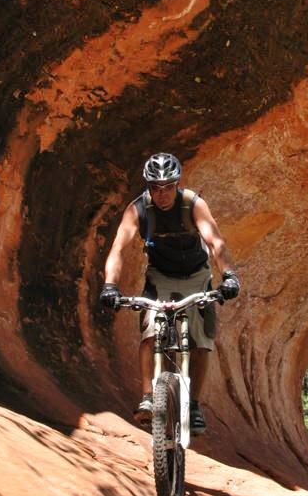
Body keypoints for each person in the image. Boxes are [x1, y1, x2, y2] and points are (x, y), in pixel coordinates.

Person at [99, 152, 240, 434]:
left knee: (202, 341)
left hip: (197, 276)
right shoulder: (138, 209)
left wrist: (229, 275)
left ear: (177, 183)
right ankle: (149, 397)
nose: (162, 193)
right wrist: (110, 286)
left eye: (168, 186)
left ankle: (195, 405)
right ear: (148, 187)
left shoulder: (192, 204)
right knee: (151, 332)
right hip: (160, 277)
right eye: (155, 187)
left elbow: (215, 242)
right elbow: (117, 249)